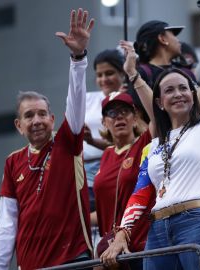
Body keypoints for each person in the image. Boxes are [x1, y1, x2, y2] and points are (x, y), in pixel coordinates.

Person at [100, 1, 200, 269]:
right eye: (169, 90)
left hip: (197, 221)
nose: (178, 94)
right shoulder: (155, 143)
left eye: (184, 88)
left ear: (193, 94)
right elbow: (140, 193)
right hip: (158, 229)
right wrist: (121, 235)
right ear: (159, 103)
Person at [0, 8, 94, 269]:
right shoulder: (13, 162)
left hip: (72, 261)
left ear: (52, 119)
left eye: (41, 114)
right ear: (19, 125)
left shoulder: (68, 144)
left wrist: (78, 58)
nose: (36, 120)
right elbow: (6, 223)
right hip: (30, 265)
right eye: (29, 115)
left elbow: (77, 101)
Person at [92, 92, 154, 270]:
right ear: (104, 122)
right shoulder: (107, 154)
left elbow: (157, 117)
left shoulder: (145, 143)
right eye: (112, 113)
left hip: (140, 244)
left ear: (135, 118)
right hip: (110, 249)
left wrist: (134, 76)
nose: (118, 116)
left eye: (125, 111)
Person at [84, 49, 125, 222]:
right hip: (84, 172)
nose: (103, 79)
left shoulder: (128, 102)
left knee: (109, 219)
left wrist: (92, 141)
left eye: (109, 73)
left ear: (122, 73)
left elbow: (123, 143)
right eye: (99, 75)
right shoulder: (87, 99)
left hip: (112, 167)